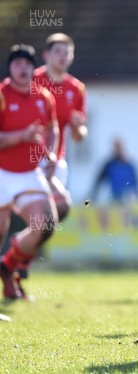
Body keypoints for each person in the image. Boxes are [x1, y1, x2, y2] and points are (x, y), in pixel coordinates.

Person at [0, 44, 59, 300]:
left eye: (27, 63)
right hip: (1, 172)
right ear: (10, 67)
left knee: (46, 224)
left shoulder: (44, 96)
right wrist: (21, 136)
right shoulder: (2, 94)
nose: (22, 68)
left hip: (28, 173)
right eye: (17, 63)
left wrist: (52, 153)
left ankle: (8, 265)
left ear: (34, 68)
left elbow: (53, 128)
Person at [33, 33, 87, 221]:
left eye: (67, 53)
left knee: (54, 215)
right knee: (38, 211)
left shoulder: (76, 88)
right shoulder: (32, 80)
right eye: (57, 51)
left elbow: (78, 136)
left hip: (56, 160)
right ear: (46, 55)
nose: (62, 56)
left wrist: (79, 127)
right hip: (28, 158)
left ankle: (26, 247)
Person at [91, 138, 138, 202]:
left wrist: (137, 197)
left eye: (119, 147)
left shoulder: (130, 166)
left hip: (128, 197)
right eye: (116, 147)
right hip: (115, 197)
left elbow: (136, 184)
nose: (118, 150)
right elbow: (98, 181)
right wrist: (93, 196)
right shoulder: (110, 165)